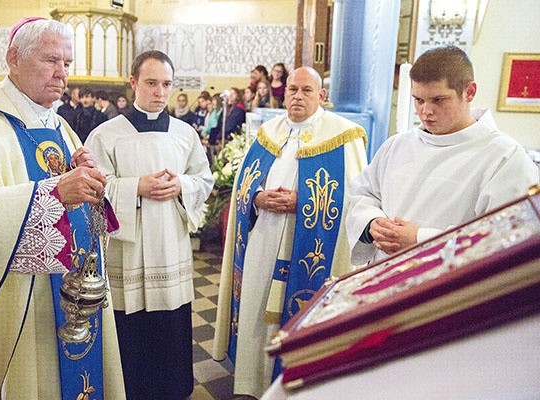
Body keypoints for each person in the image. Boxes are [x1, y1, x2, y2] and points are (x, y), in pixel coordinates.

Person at [0, 17, 125, 399]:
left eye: (68, 64)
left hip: (69, 297)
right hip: (16, 304)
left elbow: (81, 202)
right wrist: (52, 192)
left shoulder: (58, 125)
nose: (62, 74)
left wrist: (88, 179)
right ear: (13, 58)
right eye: (50, 60)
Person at [213, 66, 369, 398]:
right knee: (256, 309)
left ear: (321, 96)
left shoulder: (344, 136)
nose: (297, 96)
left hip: (308, 248)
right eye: (293, 90)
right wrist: (256, 197)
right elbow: (245, 186)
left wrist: (306, 202)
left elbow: (356, 201)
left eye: (307, 91)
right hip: (263, 240)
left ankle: (298, 386)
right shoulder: (269, 132)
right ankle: (253, 384)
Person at [85, 50, 214, 400]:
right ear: (133, 82)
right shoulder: (106, 134)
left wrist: (182, 186)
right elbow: (92, 186)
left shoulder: (185, 133)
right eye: (151, 83)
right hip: (128, 250)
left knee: (170, 325)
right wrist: (134, 188)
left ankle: (173, 389)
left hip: (170, 243)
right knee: (131, 327)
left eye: (167, 84)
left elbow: (203, 179)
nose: (159, 92)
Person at [347, 45, 539, 267]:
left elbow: (508, 237)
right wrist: (372, 222)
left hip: (449, 291)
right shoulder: (397, 145)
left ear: (469, 92)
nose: (426, 111)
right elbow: (363, 193)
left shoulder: (504, 157)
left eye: (438, 100)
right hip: (381, 278)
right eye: (418, 100)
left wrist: (419, 239)